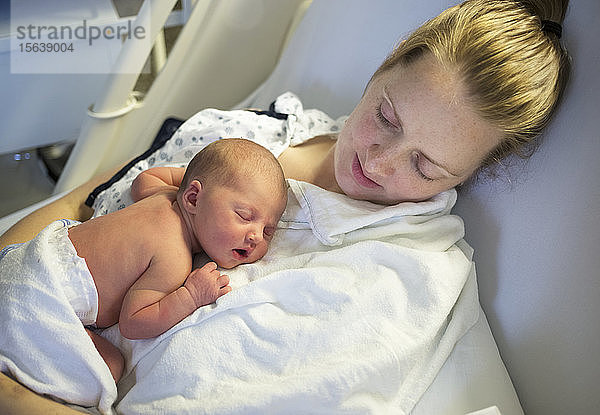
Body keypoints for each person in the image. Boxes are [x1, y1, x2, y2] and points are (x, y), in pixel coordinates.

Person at [0, 0, 570, 413]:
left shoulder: (392, 277)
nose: (378, 161)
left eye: (424, 166)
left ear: (470, 176)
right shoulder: (254, 133)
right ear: (388, 63)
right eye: (386, 118)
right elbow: (83, 200)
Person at [0, 138, 288, 383]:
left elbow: (142, 180)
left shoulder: (161, 195)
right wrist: (190, 295)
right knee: (112, 366)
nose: (255, 236)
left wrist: (198, 182)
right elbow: (134, 323)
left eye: (268, 230)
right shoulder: (174, 257)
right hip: (41, 298)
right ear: (193, 198)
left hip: (28, 256)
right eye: (244, 216)